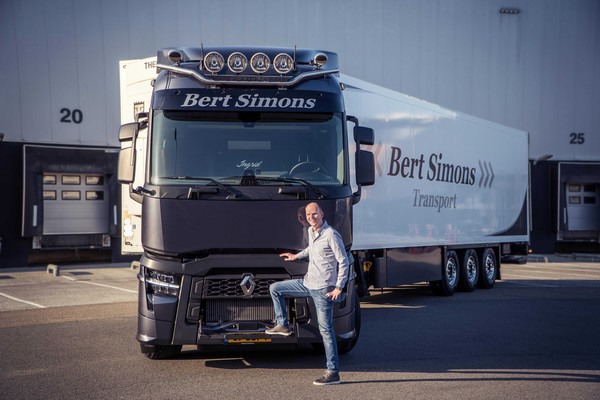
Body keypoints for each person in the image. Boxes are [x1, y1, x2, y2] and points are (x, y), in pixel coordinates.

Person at [266, 202, 349, 386]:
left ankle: (333, 372)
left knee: (326, 331)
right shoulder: (312, 231)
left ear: (322, 213)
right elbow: (311, 249)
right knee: (275, 289)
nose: (312, 217)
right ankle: (283, 324)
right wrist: (296, 256)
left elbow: (343, 261)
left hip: (324, 290)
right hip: (307, 283)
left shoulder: (331, 235)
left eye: (315, 214)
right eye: (309, 215)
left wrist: (339, 287)